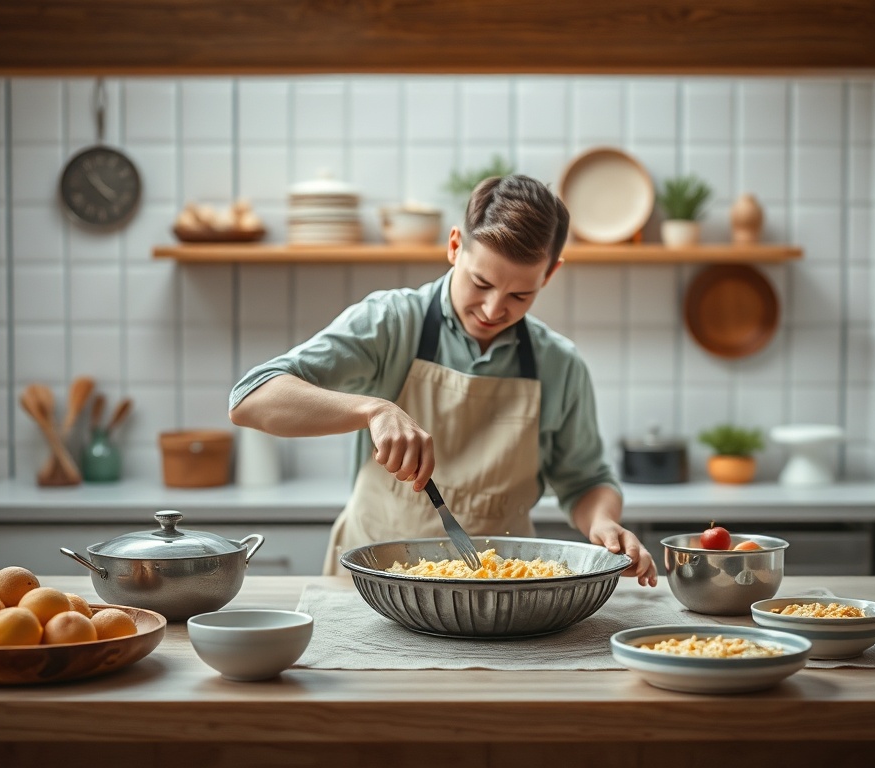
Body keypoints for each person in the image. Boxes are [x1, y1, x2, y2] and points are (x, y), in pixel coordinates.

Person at [229, 174, 657, 585]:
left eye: (519, 295)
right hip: (373, 586)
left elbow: (586, 481)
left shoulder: (559, 364)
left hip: (500, 594)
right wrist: (372, 409)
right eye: (481, 282)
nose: (492, 310)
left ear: (550, 274)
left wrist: (602, 522)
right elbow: (250, 398)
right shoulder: (391, 322)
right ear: (455, 246)